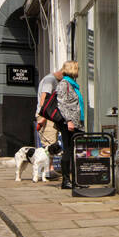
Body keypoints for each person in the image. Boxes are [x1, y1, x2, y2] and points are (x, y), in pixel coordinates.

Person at [54, 61, 84, 189]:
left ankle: (77, 180)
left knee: (76, 151)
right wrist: (69, 121)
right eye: (77, 68)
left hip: (77, 123)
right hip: (69, 124)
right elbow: (62, 104)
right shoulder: (64, 84)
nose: (78, 70)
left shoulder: (72, 84)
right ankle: (66, 181)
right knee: (68, 150)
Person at [34, 68, 63, 155]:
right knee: (49, 144)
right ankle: (48, 167)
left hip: (49, 115)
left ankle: (48, 166)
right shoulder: (50, 80)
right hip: (47, 116)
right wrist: (43, 117)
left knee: (51, 141)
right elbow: (44, 97)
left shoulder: (52, 80)